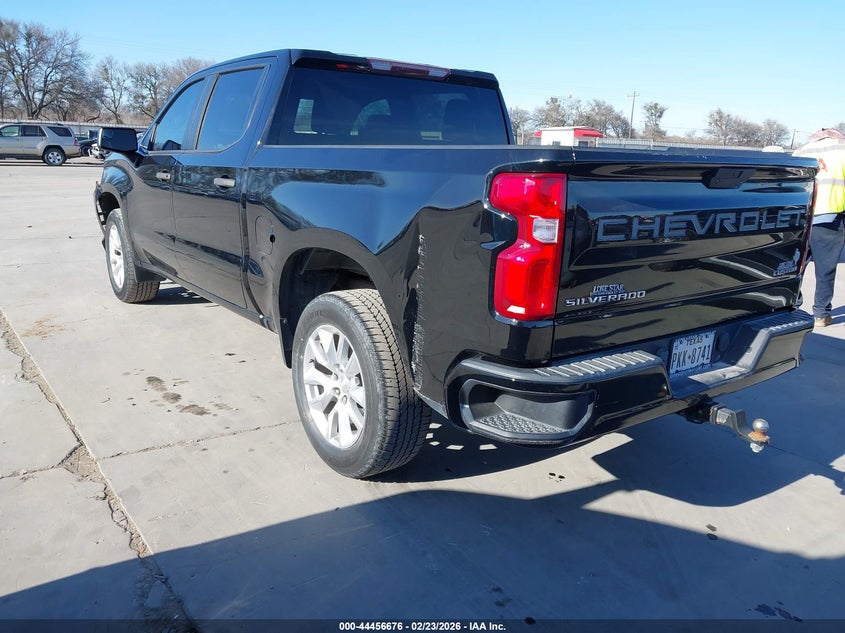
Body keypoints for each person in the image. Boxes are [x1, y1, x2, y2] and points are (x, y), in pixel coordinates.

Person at [794, 128, 845, 327]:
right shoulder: (842, 149)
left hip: (799, 216)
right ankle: (821, 314)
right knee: (825, 268)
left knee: (794, 266)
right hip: (829, 216)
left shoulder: (801, 151)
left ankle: (793, 305)